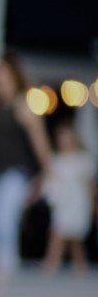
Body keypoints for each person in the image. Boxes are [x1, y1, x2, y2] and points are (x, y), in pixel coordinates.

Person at [0, 52, 53, 284]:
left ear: (13, 75)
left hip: (15, 170)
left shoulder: (24, 104)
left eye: (3, 72)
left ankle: (4, 268)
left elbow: (39, 141)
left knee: (5, 219)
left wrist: (48, 170)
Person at [39, 119, 94, 277]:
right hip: (63, 203)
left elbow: (89, 185)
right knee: (58, 233)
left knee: (75, 238)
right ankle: (51, 264)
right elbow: (49, 181)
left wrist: (92, 204)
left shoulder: (83, 160)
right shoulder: (56, 161)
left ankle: (80, 267)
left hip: (77, 203)